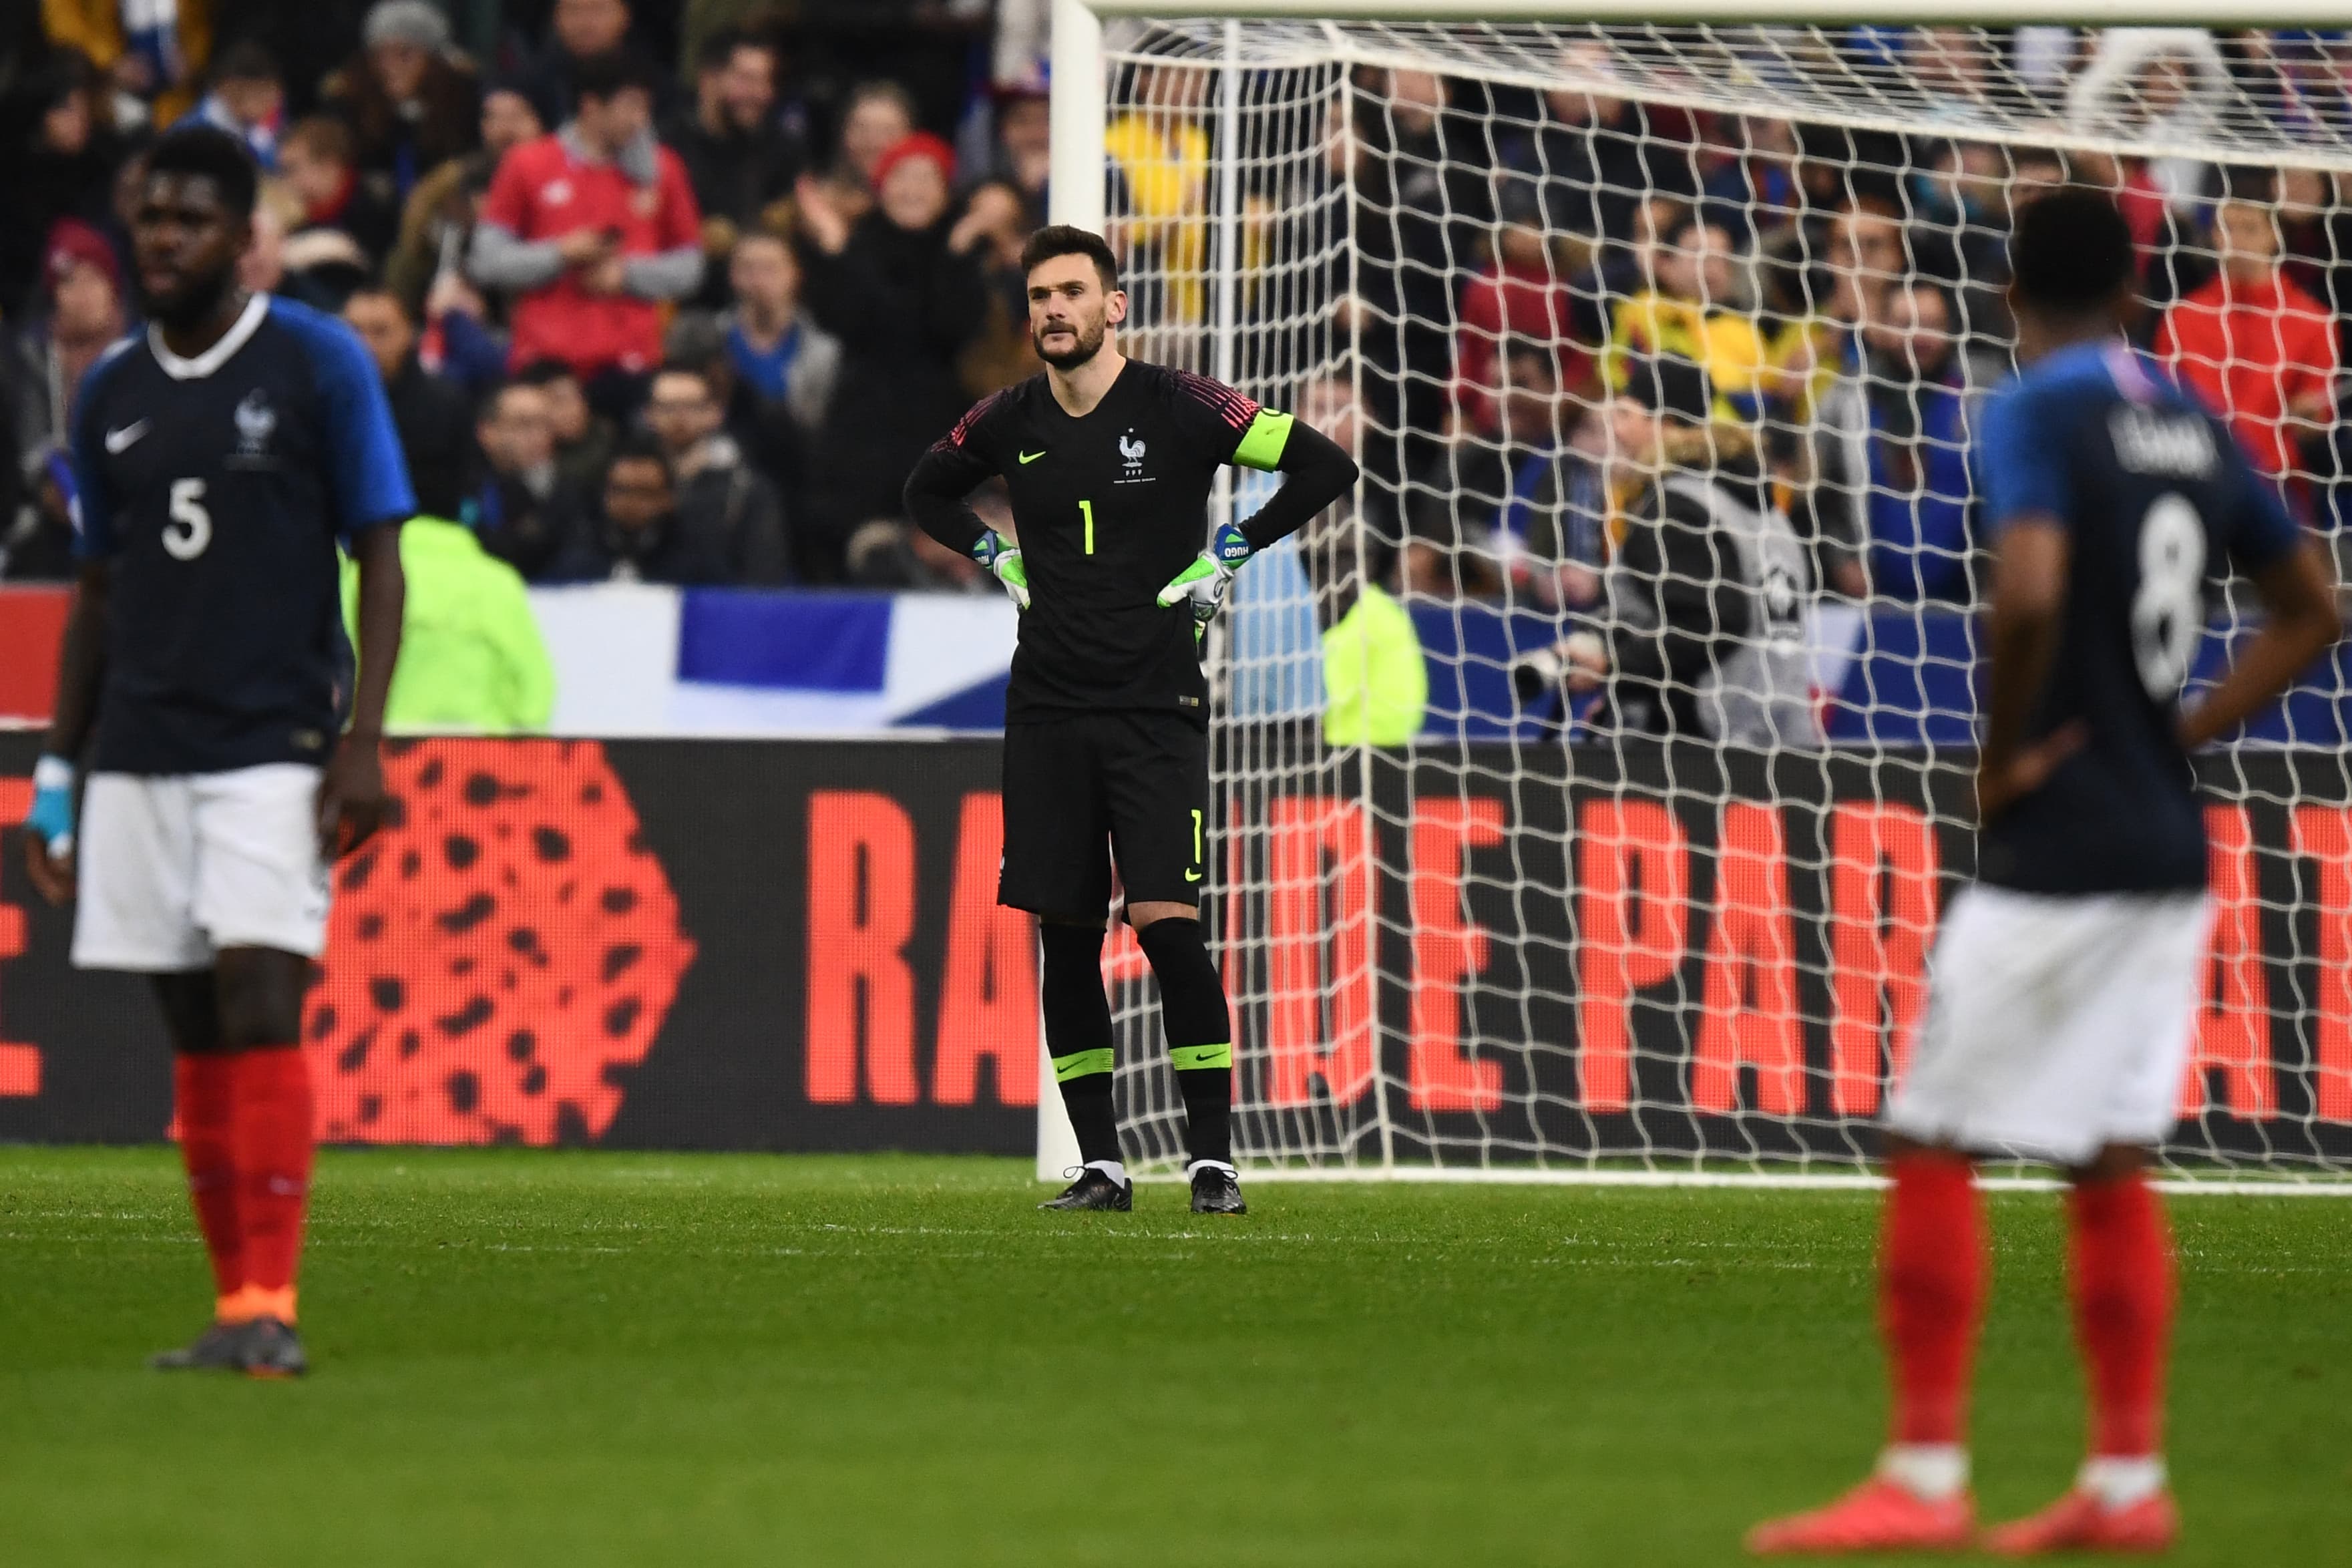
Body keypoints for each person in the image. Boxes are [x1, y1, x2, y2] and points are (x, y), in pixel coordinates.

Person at [1748, 188, 2342, 1556]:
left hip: (2061, 839)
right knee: (2109, 1158)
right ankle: (2128, 1484)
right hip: (2166, 839)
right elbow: (2313, 607)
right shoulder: (2193, 416)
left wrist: (2004, 759)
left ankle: (1924, 1471)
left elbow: (2024, 588)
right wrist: (2178, 729)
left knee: (1934, 1130)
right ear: (2141, 287)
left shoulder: (2030, 407)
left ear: (2012, 293)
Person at [18, 125, 413, 1379]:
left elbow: (382, 553)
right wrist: (58, 773)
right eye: (150, 218)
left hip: (272, 744)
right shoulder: (111, 389)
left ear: (245, 238)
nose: (164, 239)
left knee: (260, 993)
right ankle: (235, 1299)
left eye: (191, 219)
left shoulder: (315, 361)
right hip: (137, 747)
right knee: (190, 1026)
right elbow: (94, 594)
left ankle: (274, 1303)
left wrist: (361, 744)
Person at [902, 226, 1358, 1215]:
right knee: (1063, 934)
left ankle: (1210, 1161)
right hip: (1048, 709)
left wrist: (1230, 548)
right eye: (1037, 296)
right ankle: (1102, 1166)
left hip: (1156, 706)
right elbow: (924, 490)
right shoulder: (1007, 416)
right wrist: (996, 555)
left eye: (1071, 292)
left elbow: (1322, 465)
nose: (1052, 310)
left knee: (1166, 927)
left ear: (1115, 306)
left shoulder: (1183, 403)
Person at [1517, 355, 1817, 746]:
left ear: (1667, 425)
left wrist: (1612, 667)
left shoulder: (1675, 508)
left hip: (1705, 746)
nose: (1616, 431)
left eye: (1626, 415)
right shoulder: (1761, 509)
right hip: (1780, 733)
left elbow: (1711, 622)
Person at [793, 132, 988, 581]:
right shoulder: (855, 246)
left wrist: (957, 251)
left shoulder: (964, 253)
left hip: (936, 430)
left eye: (928, 178)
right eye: (901, 176)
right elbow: (852, 320)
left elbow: (948, 327)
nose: (913, 190)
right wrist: (838, 248)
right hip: (858, 432)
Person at [469, 50, 704, 391]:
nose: (640, 120)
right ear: (591, 106)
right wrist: (560, 254)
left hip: (633, 362)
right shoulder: (528, 163)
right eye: (630, 106)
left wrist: (627, 275)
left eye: (644, 109)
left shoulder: (663, 169)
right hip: (544, 361)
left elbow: (690, 266)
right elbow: (487, 261)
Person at [2154, 165, 2337, 512]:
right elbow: (2166, 403)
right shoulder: (2183, 316)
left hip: (2278, 491)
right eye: (2226, 229)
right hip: (2197, 484)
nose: (2236, 241)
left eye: (2249, 229)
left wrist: (2309, 418)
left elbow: (2316, 422)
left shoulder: (2313, 321)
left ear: (2275, 236)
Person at [639, 363, 789, 583]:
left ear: (715, 412)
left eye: (691, 406)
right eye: (668, 407)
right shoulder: (630, 483)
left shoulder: (746, 491)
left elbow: (765, 575)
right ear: (649, 415)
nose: (679, 417)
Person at [321, 1, 481, 204]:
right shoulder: (350, 108)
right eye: (380, 55)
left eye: (404, 54)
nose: (390, 66)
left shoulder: (463, 107)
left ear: (432, 59)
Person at [341, 286, 477, 520]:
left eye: (380, 331)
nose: (365, 344)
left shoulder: (445, 403)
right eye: (354, 330)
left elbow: (468, 486)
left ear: (408, 333)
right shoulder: (319, 397)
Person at [546, 432, 735, 585]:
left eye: (644, 493)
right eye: (621, 490)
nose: (631, 502)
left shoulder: (696, 557)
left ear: (668, 498)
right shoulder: (579, 549)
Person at [471, 378, 578, 578]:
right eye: (524, 424)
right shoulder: (466, 488)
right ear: (487, 432)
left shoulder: (570, 492)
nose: (538, 436)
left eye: (545, 425)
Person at [277, 116, 401, 265]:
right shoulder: (300, 228)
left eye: (293, 169)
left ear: (329, 166)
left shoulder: (379, 207)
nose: (286, 181)